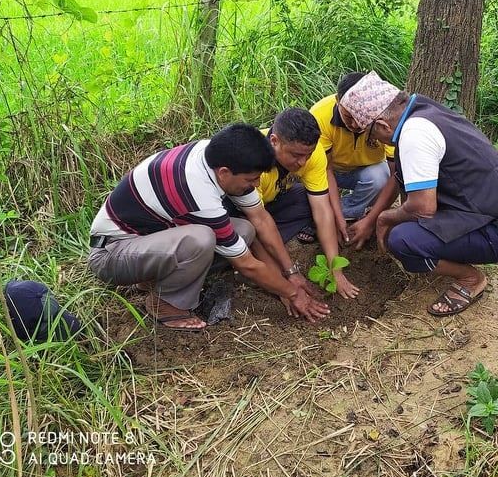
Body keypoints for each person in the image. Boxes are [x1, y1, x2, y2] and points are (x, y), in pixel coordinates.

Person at [88, 123, 330, 332]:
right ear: (224, 173)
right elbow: (246, 265)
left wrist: (290, 273)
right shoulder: (197, 190)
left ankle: (152, 279)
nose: (256, 184)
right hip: (112, 254)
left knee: (244, 230)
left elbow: (260, 218)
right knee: (201, 238)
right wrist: (292, 293)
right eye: (251, 179)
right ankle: (163, 304)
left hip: (150, 241)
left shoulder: (217, 158)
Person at [339, 72, 498, 317]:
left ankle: (471, 279)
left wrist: (386, 218)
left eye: (372, 135)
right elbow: (407, 182)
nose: (375, 141)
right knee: (408, 225)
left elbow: (422, 207)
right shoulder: (423, 109)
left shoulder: (414, 135)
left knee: (403, 240)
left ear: (383, 126)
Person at [256, 108, 360, 298]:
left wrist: (335, 269)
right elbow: (257, 222)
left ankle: (270, 249)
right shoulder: (253, 163)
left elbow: (322, 210)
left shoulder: (313, 152)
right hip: (240, 215)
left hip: (271, 202)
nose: (303, 162)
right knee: (250, 232)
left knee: (307, 198)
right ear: (274, 141)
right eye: (295, 155)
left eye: (308, 155)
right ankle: (259, 263)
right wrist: (283, 283)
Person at [310, 72, 398, 250]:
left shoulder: (384, 116)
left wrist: (374, 219)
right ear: (337, 100)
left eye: (360, 117)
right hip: (331, 171)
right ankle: (330, 216)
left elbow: (396, 175)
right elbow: (325, 171)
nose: (356, 124)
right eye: (348, 116)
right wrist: (335, 219)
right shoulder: (319, 115)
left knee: (380, 175)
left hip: (366, 170)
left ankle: (342, 214)